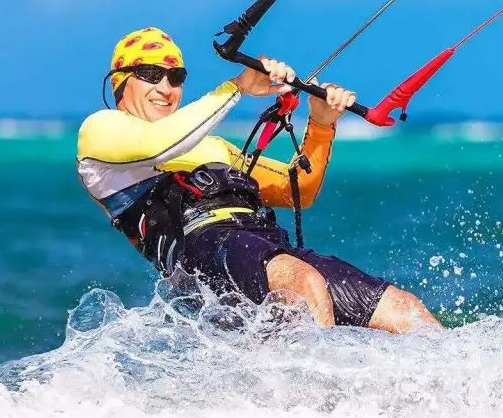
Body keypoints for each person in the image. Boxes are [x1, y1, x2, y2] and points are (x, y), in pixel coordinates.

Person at [76, 27, 443, 333]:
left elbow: (295, 189)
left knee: (403, 310)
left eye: (176, 77)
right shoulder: (101, 131)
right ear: (120, 83)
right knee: (303, 283)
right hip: (200, 253)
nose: (166, 87)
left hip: (261, 244)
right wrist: (238, 86)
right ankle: (314, 408)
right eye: (152, 75)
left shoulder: (213, 146)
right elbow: (158, 145)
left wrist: (321, 123)